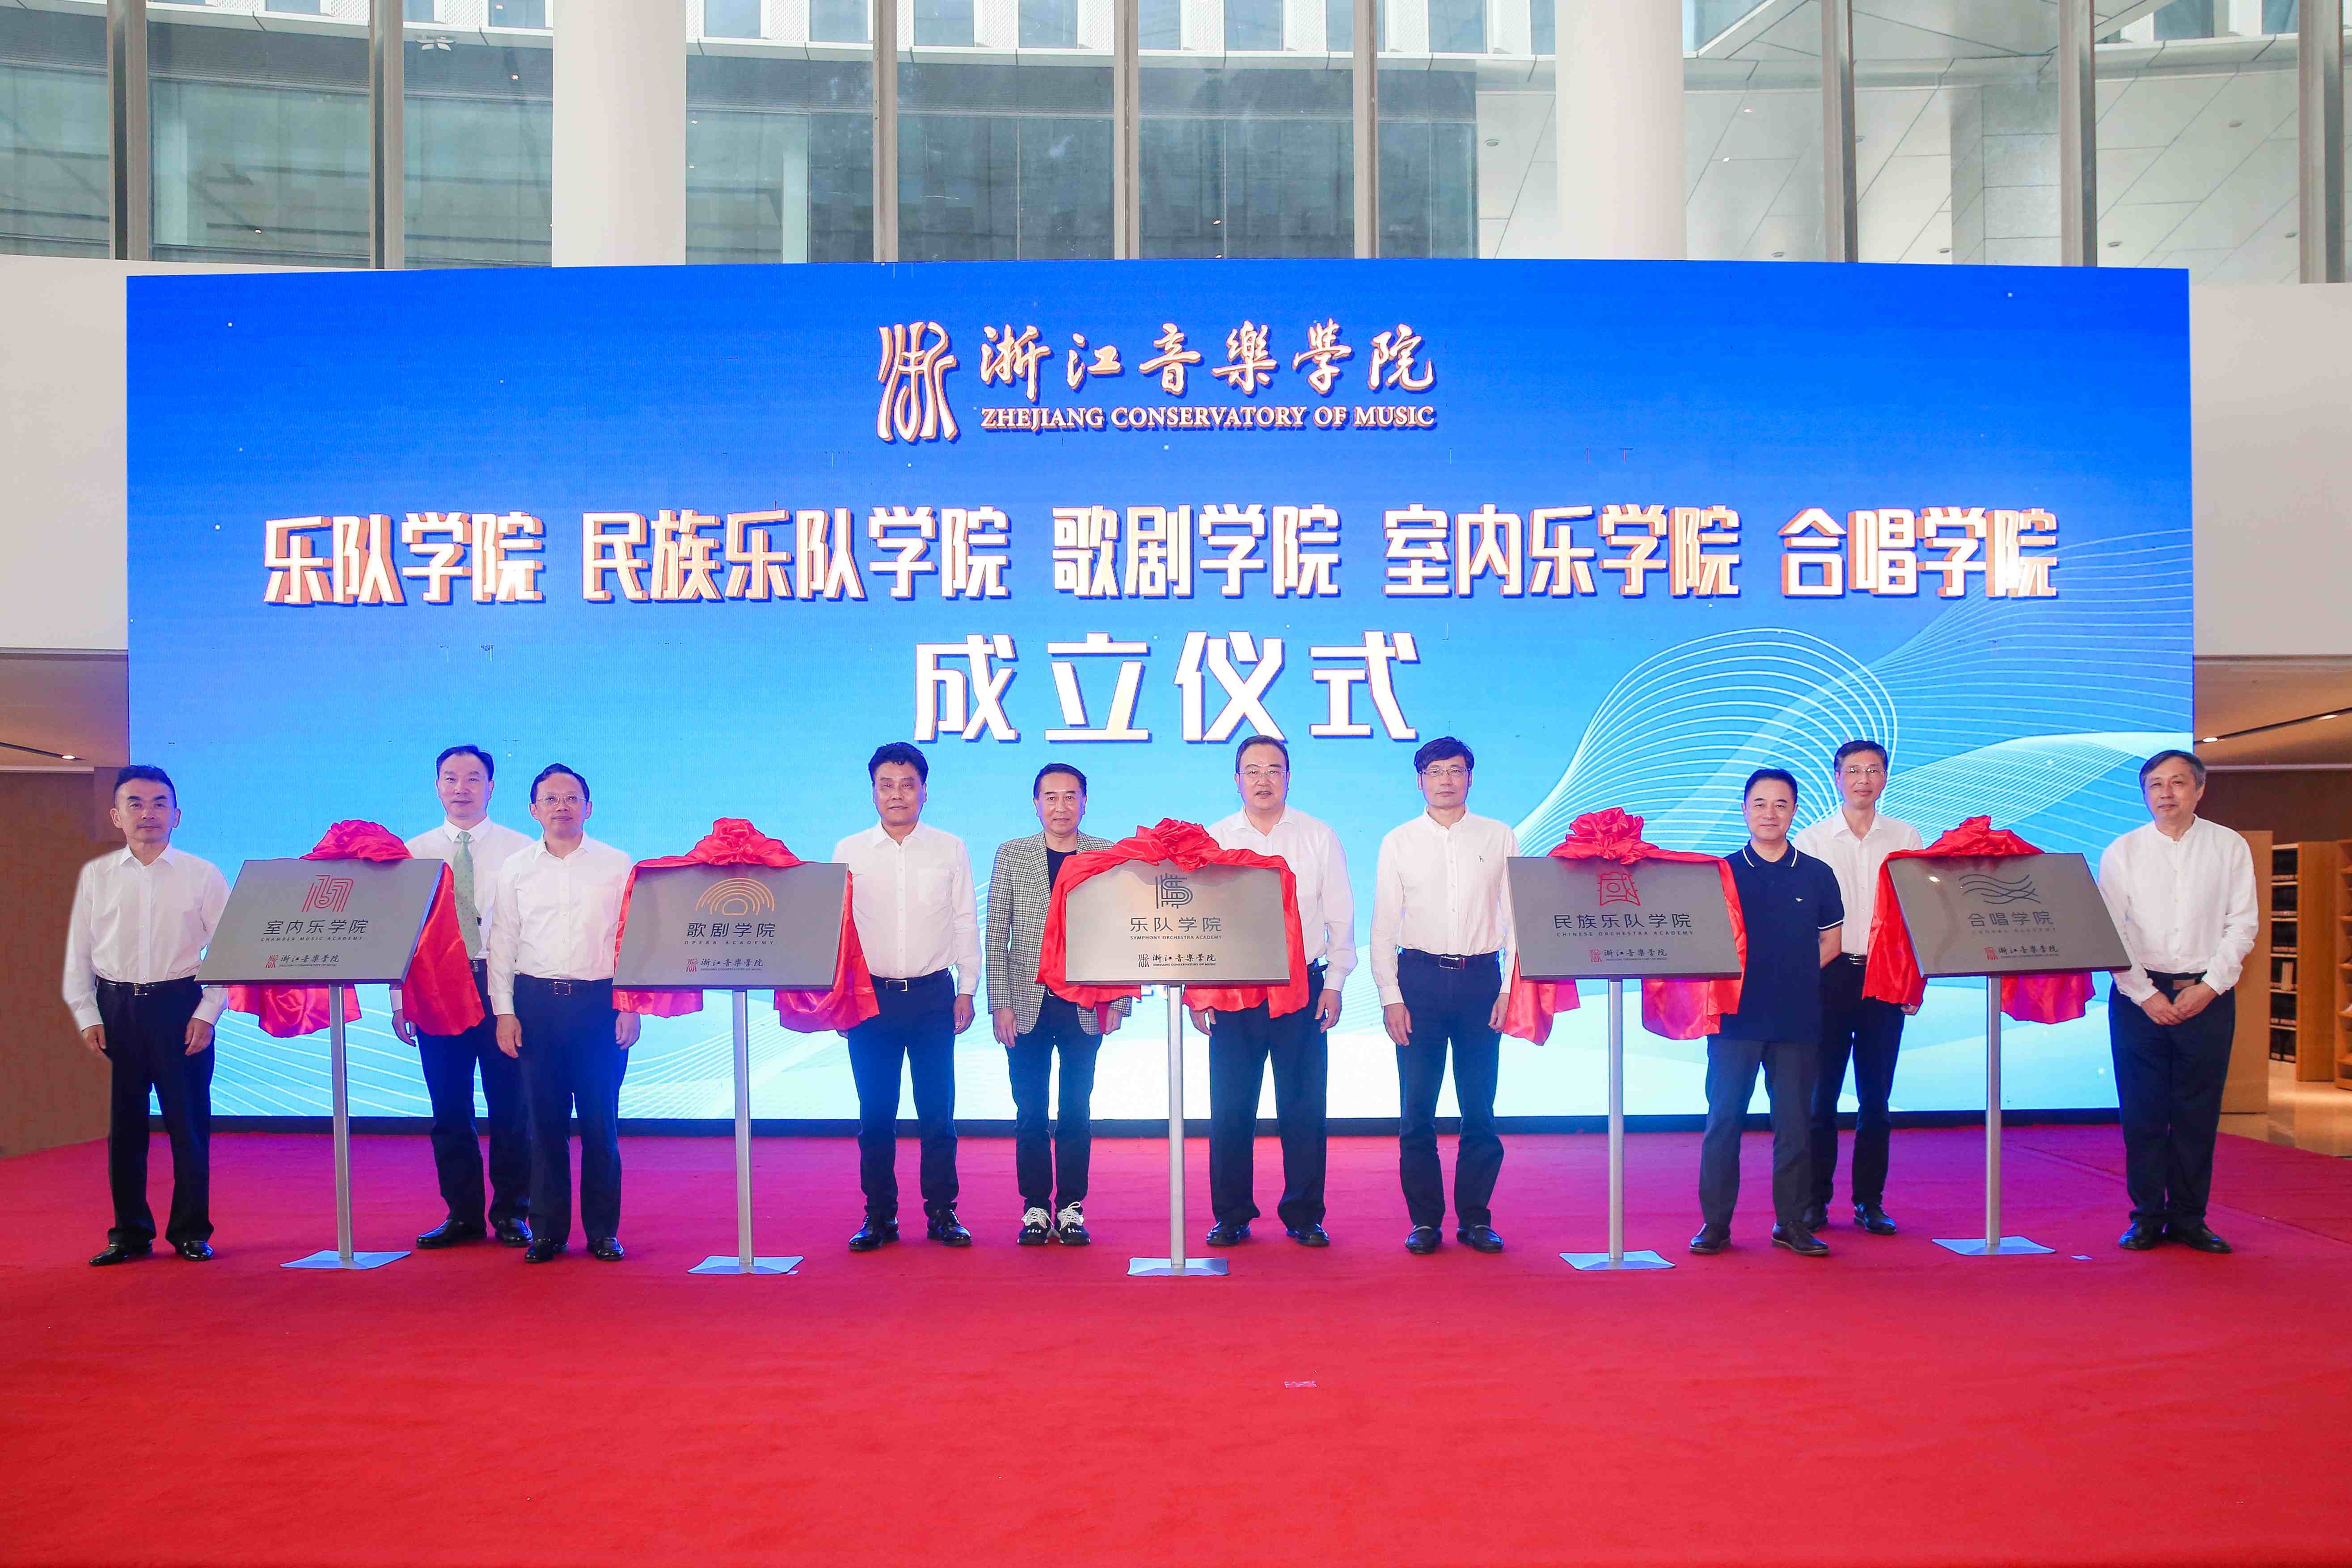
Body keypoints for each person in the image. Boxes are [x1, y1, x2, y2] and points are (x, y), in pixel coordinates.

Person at [63, 765, 230, 1265]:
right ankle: (130, 1233)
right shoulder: (97, 876)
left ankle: (190, 1231)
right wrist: (87, 1012)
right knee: (126, 1128)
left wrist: (208, 1012)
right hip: (117, 1008)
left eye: (160, 803)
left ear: (177, 815)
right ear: (117, 815)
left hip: (180, 1005)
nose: (148, 813)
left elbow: (228, 952)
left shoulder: (202, 874)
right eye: (135, 803)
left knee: (188, 1125)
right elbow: (79, 950)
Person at [2098, 749, 2259, 1254]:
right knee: (2142, 1113)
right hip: (2137, 1000)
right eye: (2155, 785)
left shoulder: (2228, 846)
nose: (2165, 793)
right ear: (2144, 794)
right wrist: (2145, 994)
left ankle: (2190, 1218)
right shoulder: (2122, 851)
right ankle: (2146, 1217)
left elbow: (2242, 925)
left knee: (2196, 1112)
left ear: (2199, 789)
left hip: (2207, 997)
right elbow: (2110, 931)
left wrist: (2208, 986)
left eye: (2177, 783)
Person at [1196, 735, 1355, 1248]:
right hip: (1234, 990)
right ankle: (1231, 1215)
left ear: (1288, 777)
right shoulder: (1214, 839)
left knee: (1303, 1107)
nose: (1262, 779)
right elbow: (1198, 921)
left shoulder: (1317, 836)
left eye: (1273, 769)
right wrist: (1200, 993)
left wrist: (1334, 983)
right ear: (1236, 779)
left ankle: (1304, 1215)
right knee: (1230, 1108)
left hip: (1301, 987)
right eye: (1252, 770)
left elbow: (1339, 916)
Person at [485, 764, 637, 1264]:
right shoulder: (516, 868)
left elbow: (631, 939)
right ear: (533, 810)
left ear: (588, 807)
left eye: (571, 798)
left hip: (599, 1005)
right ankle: (547, 1232)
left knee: (600, 1124)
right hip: (536, 1005)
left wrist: (630, 1005)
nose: (561, 807)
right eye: (550, 799)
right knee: (542, 1124)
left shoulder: (617, 864)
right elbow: (503, 942)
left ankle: (603, 1232)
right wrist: (504, 1012)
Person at [1369, 736, 1516, 1256]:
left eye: (1455, 770)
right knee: (1416, 1111)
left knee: (1479, 1108)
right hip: (1419, 982)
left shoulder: (1498, 836)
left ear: (1470, 778)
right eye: (1435, 772)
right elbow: (1382, 925)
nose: (1446, 780)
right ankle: (1425, 1222)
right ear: (1419, 781)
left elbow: (1515, 918)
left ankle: (1475, 1219)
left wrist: (1508, 988)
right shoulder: (1398, 841)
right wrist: (1390, 995)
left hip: (1481, 982)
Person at [1691, 768, 1844, 1259]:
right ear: (1744, 810)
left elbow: (1831, 941)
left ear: (1794, 810)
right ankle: (1715, 1224)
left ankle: (1791, 1223)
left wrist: (1795, 974)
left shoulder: (1816, 873)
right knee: (1723, 1121)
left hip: (1798, 1018)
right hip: (1735, 1019)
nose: (1769, 814)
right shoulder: (1721, 873)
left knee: (1795, 1124)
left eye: (1780, 804)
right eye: (1759, 804)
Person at [835, 742, 981, 1252]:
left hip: (933, 995)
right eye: (886, 785)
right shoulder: (849, 850)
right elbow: (838, 930)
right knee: (875, 1115)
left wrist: (967, 987)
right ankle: (879, 1217)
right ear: (873, 791)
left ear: (924, 790)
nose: (897, 795)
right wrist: (839, 997)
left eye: (907, 785)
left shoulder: (949, 848)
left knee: (937, 1113)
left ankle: (942, 1212)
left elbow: (964, 920)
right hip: (869, 999)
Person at [392, 744, 536, 1250]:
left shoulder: (522, 850)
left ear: (491, 787)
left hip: (502, 987)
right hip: (437, 987)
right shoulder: (412, 853)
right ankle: (462, 1214)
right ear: (437, 787)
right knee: (449, 1108)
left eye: (473, 778)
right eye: (450, 778)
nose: (461, 788)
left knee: (510, 1107)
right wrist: (399, 1000)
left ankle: (513, 1213)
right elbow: (400, 933)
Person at [985, 763, 1125, 1247]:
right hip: (1025, 1003)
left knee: (1075, 1111)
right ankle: (1033, 1208)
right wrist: (1000, 1004)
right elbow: (995, 935)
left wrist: (1118, 1000)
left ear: (1084, 802)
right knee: (1029, 1112)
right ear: (1036, 804)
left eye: (1070, 797)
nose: (1060, 806)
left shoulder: (1105, 853)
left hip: (1084, 1004)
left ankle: (1070, 1208)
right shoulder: (1012, 854)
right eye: (1051, 797)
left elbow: (1118, 933)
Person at [1793, 740, 1922, 1236]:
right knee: (1819, 1098)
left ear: (1885, 777)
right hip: (1829, 975)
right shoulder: (1812, 840)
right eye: (1853, 771)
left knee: (1876, 1100)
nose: (1863, 779)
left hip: (1884, 974)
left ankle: (1869, 1202)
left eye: (1872, 770)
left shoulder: (1905, 836)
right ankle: (1813, 1202)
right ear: (1836, 778)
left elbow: (1917, 916)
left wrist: (1914, 980)